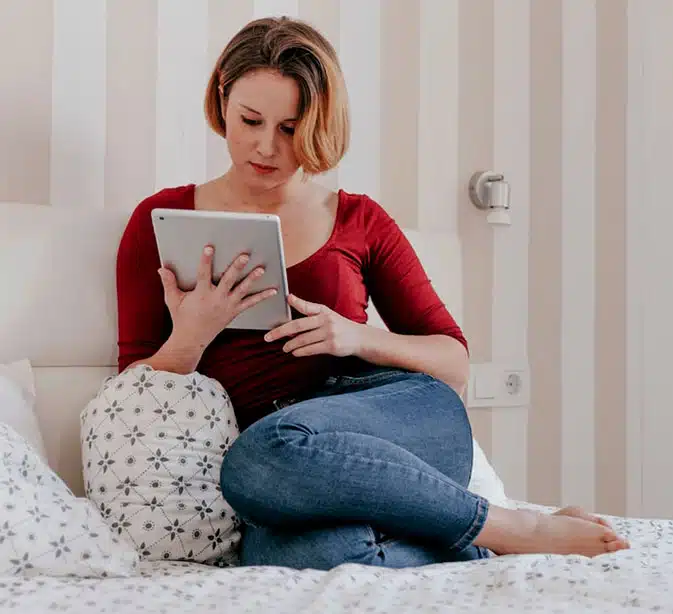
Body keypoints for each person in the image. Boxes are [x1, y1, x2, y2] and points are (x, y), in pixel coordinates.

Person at [115, 16, 629, 570]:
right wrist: (192, 337)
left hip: (392, 416)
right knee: (289, 548)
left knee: (254, 459)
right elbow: (131, 388)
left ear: (320, 124)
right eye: (250, 121)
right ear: (222, 99)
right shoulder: (161, 219)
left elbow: (453, 363)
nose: (266, 147)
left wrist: (356, 336)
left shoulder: (360, 220)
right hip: (292, 479)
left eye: (290, 128)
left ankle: (511, 526)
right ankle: (476, 537)